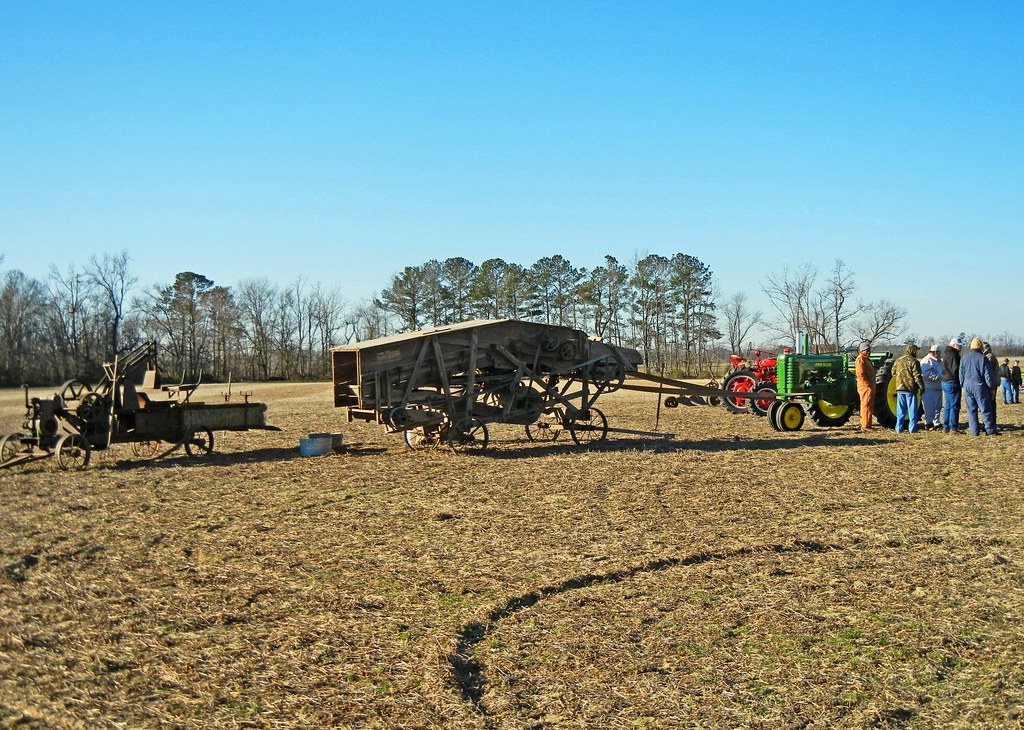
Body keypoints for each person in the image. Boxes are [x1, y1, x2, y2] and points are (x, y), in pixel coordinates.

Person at [959, 337, 998, 436]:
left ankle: (974, 431)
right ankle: (990, 430)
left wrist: (962, 384)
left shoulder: (964, 358)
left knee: (971, 410)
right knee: (985, 409)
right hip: (979, 386)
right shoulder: (983, 358)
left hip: (967, 386)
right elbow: (987, 375)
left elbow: (961, 373)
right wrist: (991, 387)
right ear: (980, 347)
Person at [891, 342, 924, 433]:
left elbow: (893, 372)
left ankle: (898, 428)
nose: (916, 352)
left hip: (899, 388)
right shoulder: (914, 361)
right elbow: (917, 376)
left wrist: (900, 379)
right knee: (912, 409)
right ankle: (912, 428)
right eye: (916, 351)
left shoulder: (898, 360)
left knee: (900, 410)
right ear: (913, 351)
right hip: (910, 389)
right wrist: (921, 387)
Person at [940, 336, 964, 433]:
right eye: (959, 345)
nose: (961, 347)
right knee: (954, 405)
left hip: (945, 381)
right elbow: (956, 370)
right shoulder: (954, 355)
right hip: (953, 381)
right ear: (954, 345)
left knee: (948, 405)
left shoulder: (946, 353)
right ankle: (953, 427)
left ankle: (946, 427)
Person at [920, 344, 943, 429]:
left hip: (938, 387)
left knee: (938, 407)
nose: (940, 355)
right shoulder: (927, 361)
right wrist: (940, 376)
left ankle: (937, 423)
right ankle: (928, 423)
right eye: (939, 353)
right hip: (929, 388)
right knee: (929, 407)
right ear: (935, 352)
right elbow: (927, 375)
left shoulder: (938, 361)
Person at [855, 340, 875, 431]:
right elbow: (860, 374)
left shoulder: (866, 359)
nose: (868, 352)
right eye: (867, 350)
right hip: (865, 387)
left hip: (869, 387)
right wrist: (867, 385)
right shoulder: (861, 359)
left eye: (869, 350)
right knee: (866, 405)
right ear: (862, 350)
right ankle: (865, 426)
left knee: (869, 405)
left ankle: (868, 424)